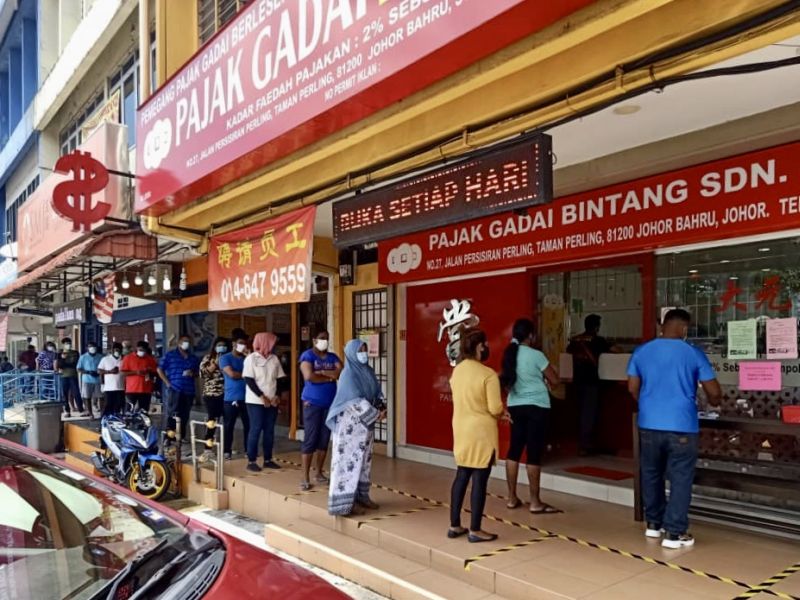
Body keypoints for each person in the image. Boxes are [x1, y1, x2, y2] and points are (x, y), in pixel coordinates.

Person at [627, 309, 721, 549]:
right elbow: (714, 393)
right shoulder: (693, 353)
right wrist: (715, 402)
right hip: (681, 425)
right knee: (680, 478)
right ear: (685, 328)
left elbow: (632, 388)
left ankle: (654, 525)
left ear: (662, 325)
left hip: (648, 424)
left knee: (651, 474)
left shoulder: (642, 351)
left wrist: (649, 404)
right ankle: (675, 533)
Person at [448, 327, 504, 543]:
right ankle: (475, 529)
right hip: (482, 432)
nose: (487, 347)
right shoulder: (488, 374)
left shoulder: (458, 371)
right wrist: (502, 413)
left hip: (461, 429)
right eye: (485, 344)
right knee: (480, 480)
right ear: (479, 347)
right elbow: (495, 408)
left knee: (461, 475)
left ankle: (454, 525)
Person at [500, 318, 562, 514]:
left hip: (515, 405)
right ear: (531, 336)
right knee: (534, 452)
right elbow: (555, 380)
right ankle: (535, 502)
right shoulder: (536, 355)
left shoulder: (510, 354)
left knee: (514, 450)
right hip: (537, 406)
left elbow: (506, 381)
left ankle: (511, 498)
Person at [326, 340, 386, 516]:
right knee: (347, 465)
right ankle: (345, 504)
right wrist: (376, 414)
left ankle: (361, 497)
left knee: (364, 462)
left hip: (365, 428)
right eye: (360, 350)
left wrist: (382, 408)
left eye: (365, 350)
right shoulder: (348, 375)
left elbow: (376, 393)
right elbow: (355, 401)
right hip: (350, 429)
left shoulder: (368, 371)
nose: (364, 353)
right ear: (352, 353)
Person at [299, 330, 342, 490]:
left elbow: (342, 372)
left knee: (324, 439)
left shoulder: (332, 357)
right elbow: (309, 376)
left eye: (327, 339)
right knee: (311, 438)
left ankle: (319, 473)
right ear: (314, 339)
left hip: (330, 404)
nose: (325, 341)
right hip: (312, 403)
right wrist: (331, 376)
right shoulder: (307, 356)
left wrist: (323, 373)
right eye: (322, 338)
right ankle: (305, 477)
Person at [567, 314, 612, 455]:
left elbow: (568, 354)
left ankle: (581, 443)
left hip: (576, 382)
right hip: (592, 382)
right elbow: (611, 353)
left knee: (580, 412)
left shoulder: (575, 341)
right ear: (597, 327)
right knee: (589, 413)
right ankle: (586, 445)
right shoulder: (599, 341)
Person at [242, 332, 285, 472]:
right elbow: (249, 380)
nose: (274, 345)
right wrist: (262, 397)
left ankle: (268, 459)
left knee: (269, 430)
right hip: (255, 401)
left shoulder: (274, 359)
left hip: (272, 401)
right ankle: (252, 460)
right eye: (272, 343)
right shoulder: (251, 359)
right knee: (255, 429)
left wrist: (277, 395)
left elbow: (280, 379)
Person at [158, 335, 200, 441]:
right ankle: (169, 437)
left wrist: (192, 373)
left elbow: (198, 373)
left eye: (188, 341)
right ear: (179, 343)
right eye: (184, 341)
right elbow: (159, 369)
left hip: (189, 390)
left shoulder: (193, 358)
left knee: (185, 414)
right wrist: (167, 383)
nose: (186, 343)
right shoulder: (170, 355)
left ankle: (180, 436)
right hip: (175, 388)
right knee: (172, 413)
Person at [219, 335, 250, 460]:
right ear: (234, 344)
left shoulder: (246, 359)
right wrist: (246, 374)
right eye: (240, 343)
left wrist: (249, 357)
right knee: (229, 425)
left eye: (245, 343)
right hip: (231, 397)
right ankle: (227, 451)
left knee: (248, 425)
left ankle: (249, 449)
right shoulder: (225, 358)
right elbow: (231, 374)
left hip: (247, 397)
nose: (243, 346)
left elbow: (254, 374)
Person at [199, 337, 228, 462]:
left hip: (226, 394)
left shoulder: (228, 358)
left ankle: (226, 449)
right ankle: (208, 449)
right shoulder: (208, 358)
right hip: (211, 394)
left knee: (225, 421)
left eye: (223, 345)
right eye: (219, 345)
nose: (221, 347)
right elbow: (203, 374)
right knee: (212, 420)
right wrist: (215, 364)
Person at [120, 341, 158, 413]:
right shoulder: (128, 358)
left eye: (143, 350)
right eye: (140, 350)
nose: (141, 351)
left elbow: (155, 372)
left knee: (144, 411)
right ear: (137, 348)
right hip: (132, 389)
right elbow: (122, 373)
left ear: (146, 350)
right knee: (129, 410)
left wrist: (149, 372)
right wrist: (136, 372)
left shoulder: (150, 359)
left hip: (146, 389)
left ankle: (142, 424)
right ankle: (128, 424)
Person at [56, 338, 86, 417]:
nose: (68, 345)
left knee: (76, 392)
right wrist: (63, 359)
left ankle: (81, 409)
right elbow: (60, 366)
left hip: (73, 375)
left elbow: (75, 364)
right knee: (64, 394)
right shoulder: (60, 353)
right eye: (66, 343)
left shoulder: (75, 353)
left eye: (69, 343)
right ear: (63, 345)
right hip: (63, 376)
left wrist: (65, 364)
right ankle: (67, 410)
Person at [77, 341, 104, 417]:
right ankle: (90, 413)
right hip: (87, 380)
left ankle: (102, 413)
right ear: (87, 348)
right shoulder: (83, 357)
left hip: (98, 380)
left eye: (94, 346)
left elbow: (103, 367)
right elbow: (79, 369)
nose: (92, 348)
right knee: (87, 397)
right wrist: (88, 372)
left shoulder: (100, 357)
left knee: (101, 397)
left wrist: (98, 373)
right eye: (90, 347)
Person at [98, 343, 125, 416]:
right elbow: (99, 371)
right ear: (112, 350)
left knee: (119, 404)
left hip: (121, 387)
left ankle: (116, 419)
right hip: (109, 387)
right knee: (108, 405)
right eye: (115, 350)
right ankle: (104, 419)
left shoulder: (124, 359)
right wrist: (109, 372)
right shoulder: (105, 359)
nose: (117, 351)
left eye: (118, 350)